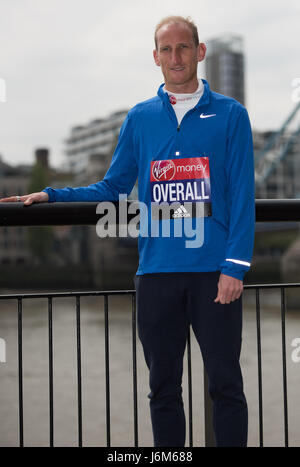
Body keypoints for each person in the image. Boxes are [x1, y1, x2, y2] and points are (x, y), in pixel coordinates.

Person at [0, 16, 255, 447]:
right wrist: (51, 196)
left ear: (200, 52)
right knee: (163, 389)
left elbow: (244, 195)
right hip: (155, 274)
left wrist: (235, 266)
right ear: (155, 58)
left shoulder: (231, 116)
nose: (176, 58)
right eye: (167, 50)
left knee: (226, 386)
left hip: (214, 274)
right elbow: (113, 188)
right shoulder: (139, 119)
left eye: (184, 48)